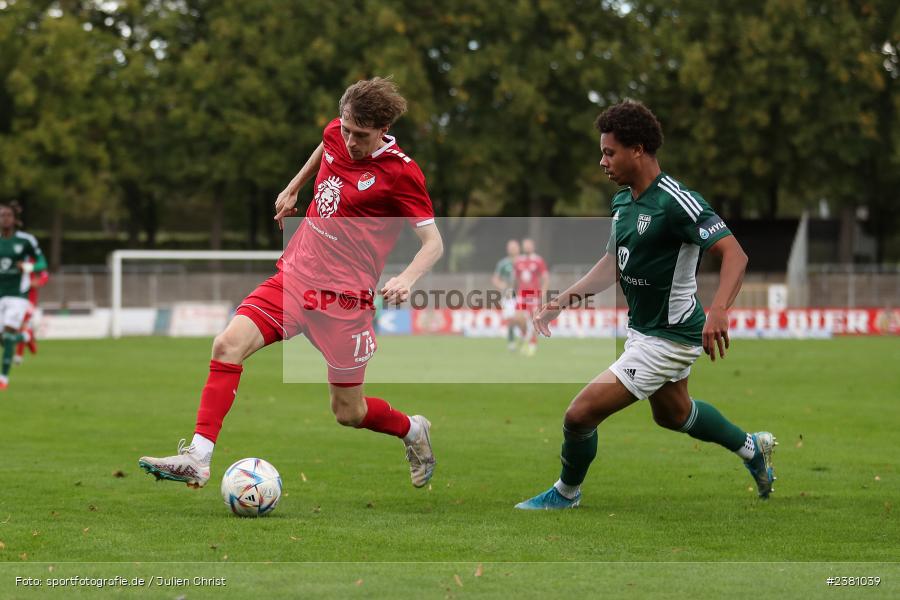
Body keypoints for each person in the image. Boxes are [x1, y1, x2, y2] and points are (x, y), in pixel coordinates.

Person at [140, 78, 444, 490]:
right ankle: (198, 457)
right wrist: (293, 186)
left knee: (348, 412)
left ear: (383, 129)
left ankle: (412, 430)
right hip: (296, 277)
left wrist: (407, 278)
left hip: (345, 303)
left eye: (362, 136)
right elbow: (326, 148)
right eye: (348, 129)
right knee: (227, 345)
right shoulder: (337, 132)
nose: (351, 141)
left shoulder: (401, 173)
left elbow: (433, 242)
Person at [515, 100, 776, 510]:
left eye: (609, 152)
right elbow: (611, 266)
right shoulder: (622, 203)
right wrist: (561, 301)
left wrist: (720, 309)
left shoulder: (677, 201)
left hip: (670, 336)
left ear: (637, 149)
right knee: (673, 415)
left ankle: (566, 494)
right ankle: (751, 449)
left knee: (579, 415)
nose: (602, 161)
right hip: (643, 330)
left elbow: (735, 255)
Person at [0, 204, 41, 389]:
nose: (5, 218)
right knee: (4, 338)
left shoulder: (25, 240)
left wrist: (28, 268)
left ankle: (3, 378)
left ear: (14, 219)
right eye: (1, 215)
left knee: (8, 334)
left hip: (18, 295)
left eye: (8, 215)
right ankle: (25, 337)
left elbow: (42, 263)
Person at [512, 238, 548, 356]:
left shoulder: (538, 260)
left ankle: (532, 343)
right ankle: (524, 336)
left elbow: (545, 278)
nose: (527, 247)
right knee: (518, 318)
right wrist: (514, 292)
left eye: (529, 245)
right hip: (522, 294)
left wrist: (543, 292)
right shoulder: (518, 261)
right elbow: (516, 279)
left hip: (534, 294)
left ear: (533, 247)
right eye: (525, 245)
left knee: (534, 320)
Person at [492, 239, 521, 350]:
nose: (512, 249)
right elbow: (495, 279)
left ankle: (526, 341)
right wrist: (502, 286)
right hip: (509, 296)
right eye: (510, 247)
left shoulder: (523, 262)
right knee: (511, 319)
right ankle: (511, 343)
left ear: (518, 248)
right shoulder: (503, 263)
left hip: (523, 294)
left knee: (523, 318)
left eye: (514, 247)